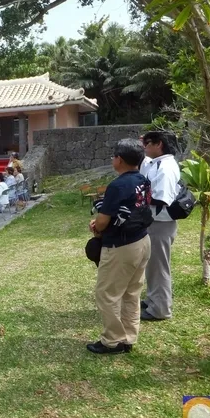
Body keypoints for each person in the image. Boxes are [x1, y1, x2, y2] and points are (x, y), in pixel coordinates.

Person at [87, 138, 151, 354]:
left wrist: (96, 225)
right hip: (142, 240)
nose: (112, 159)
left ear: (120, 160)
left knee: (107, 293)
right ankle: (128, 337)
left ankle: (112, 341)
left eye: (114, 155)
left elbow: (103, 221)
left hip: (122, 247)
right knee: (131, 293)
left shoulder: (117, 185)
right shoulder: (142, 179)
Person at [140, 131, 181, 321]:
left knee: (159, 267)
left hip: (160, 223)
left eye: (148, 143)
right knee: (153, 265)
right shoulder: (157, 163)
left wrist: (138, 198)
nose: (145, 146)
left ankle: (161, 310)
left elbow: (162, 199)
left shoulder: (165, 167)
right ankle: (153, 300)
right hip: (156, 222)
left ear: (159, 144)